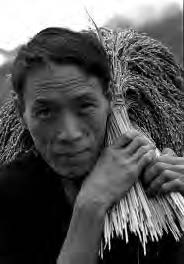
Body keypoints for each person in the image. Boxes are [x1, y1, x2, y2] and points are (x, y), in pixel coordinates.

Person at [0, 27, 184, 264]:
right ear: (21, 112)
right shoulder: (10, 198)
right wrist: (90, 204)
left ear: (109, 97)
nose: (69, 133)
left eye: (84, 106)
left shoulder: (152, 180)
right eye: (45, 112)